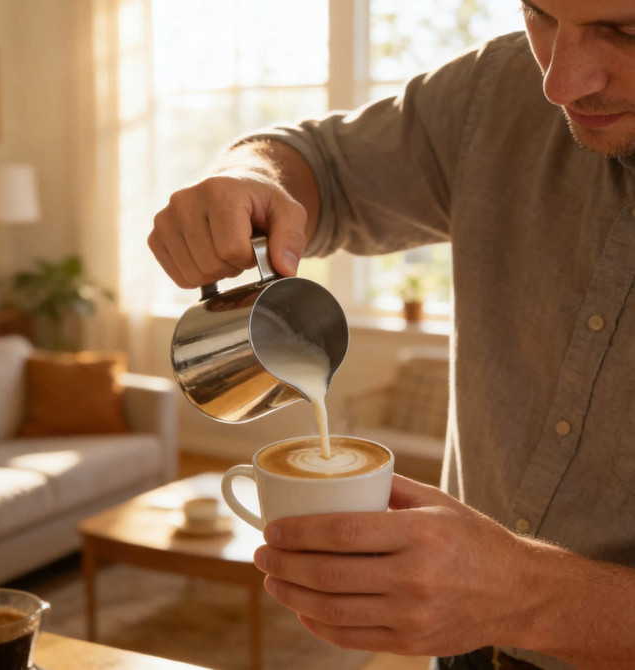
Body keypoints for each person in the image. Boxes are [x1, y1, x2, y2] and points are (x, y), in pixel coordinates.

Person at [149, 0, 635, 667]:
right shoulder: (496, 89)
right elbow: (316, 162)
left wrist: (529, 597)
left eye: (626, 31)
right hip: (467, 650)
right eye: (540, 13)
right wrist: (250, 179)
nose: (556, 80)